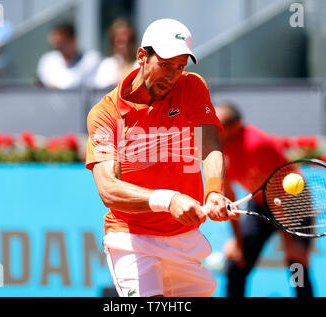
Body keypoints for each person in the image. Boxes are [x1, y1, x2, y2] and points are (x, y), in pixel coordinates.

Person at [86, 18, 238, 298]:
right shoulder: (105, 114)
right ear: (142, 56)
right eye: (165, 64)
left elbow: (209, 144)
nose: (172, 76)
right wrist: (168, 200)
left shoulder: (192, 87)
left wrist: (214, 191)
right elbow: (108, 189)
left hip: (184, 240)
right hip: (132, 240)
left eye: (180, 67)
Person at [215, 102, 314, 297]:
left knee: (296, 264)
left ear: (236, 125)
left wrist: (291, 240)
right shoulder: (220, 148)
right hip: (260, 202)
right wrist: (237, 242)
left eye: (220, 125)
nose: (214, 130)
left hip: (292, 204)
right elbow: (229, 196)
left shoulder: (257, 145)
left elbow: (277, 197)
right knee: (238, 262)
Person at [37, 22, 100, 89]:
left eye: (62, 43)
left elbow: (84, 84)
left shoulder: (91, 59)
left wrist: (55, 87)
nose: (59, 48)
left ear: (73, 40)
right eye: (56, 45)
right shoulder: (47, 60)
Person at [93, 18, 138, 89]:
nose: (125, 45)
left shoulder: (140, 65)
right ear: (113, 42)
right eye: (120, 41)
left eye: (129, 40)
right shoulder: (106, 65)